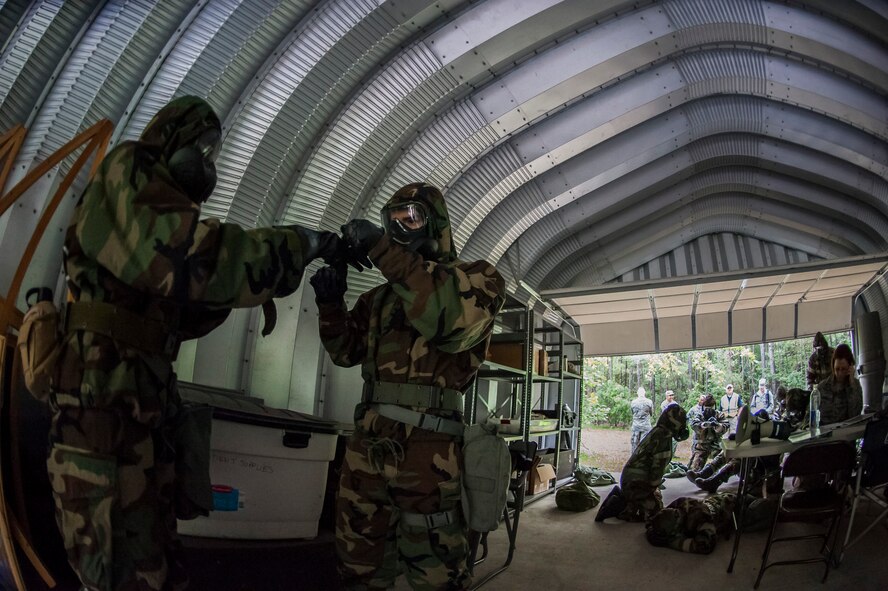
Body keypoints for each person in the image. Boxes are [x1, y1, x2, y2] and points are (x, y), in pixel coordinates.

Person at [47, 97, 345, 591]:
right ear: (171, 140)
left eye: (214, 154)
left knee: (156, 560)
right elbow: (188, 260)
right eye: (202, 149)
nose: (208, 164)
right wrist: (300, 244)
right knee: (122, 569)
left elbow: (179, 313)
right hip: (102, 414)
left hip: (137, 408)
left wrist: (258, 287)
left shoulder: (155, 212)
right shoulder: (130, 167)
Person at [310, 182, 506, 590]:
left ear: (436, 223)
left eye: (411, 218)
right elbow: (345, 352)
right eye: (392, 222)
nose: (401, 228)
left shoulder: (479, 279)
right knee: (357, 562)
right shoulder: (381, 298)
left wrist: (382, 249)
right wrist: (331, 305)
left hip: (429, 452)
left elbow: (449, 323)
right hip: (368, 445)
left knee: (434, 569)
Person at [595, 404, 689, 523]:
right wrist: (653, 488)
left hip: (631, 479)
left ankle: (624, 497)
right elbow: (657, 469)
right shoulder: (664, 438)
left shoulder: (657, 431)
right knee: (655, 514)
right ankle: (620, 507)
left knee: (656, 499)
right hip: (635, 482)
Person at [646, 493, 776, 554]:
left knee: (754, 519)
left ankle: (774, 506)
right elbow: (651, 524)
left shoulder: (700, 518)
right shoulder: (678, 504)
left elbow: (704, 546)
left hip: (736, 507)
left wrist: (670, 542)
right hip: (723, 499)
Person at [814, 343, 863, 425]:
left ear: (850, 366)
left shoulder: (855, 385)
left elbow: (855, 416)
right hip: (825, 434)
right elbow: (811, 415)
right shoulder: (822, 387)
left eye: (843, 369)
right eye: (837, 369)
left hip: (846, 434)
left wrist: (851, 384)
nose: (840, 373)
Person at [686, 394, 728, 480]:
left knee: (724, 466)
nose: (708, 409)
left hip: (716, 445)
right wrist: (703, 425)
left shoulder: (719, 415)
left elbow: (726, 425)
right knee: (693, 471)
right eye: (706, 407)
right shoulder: (700, 415)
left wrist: (717, 425)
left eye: (710, 407)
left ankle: (715, 476)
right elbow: (694, 425)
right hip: (702, 446)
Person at [630, 387, 654, 454]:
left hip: (636, 426)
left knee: (635, 443)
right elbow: (651, 413)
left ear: (637, 393)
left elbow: (632, 413)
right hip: (646, 426)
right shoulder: (649, 402)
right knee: (645, 444)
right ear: (644, 393)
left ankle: (633, 459)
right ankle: (644, 458)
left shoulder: (633, 402)